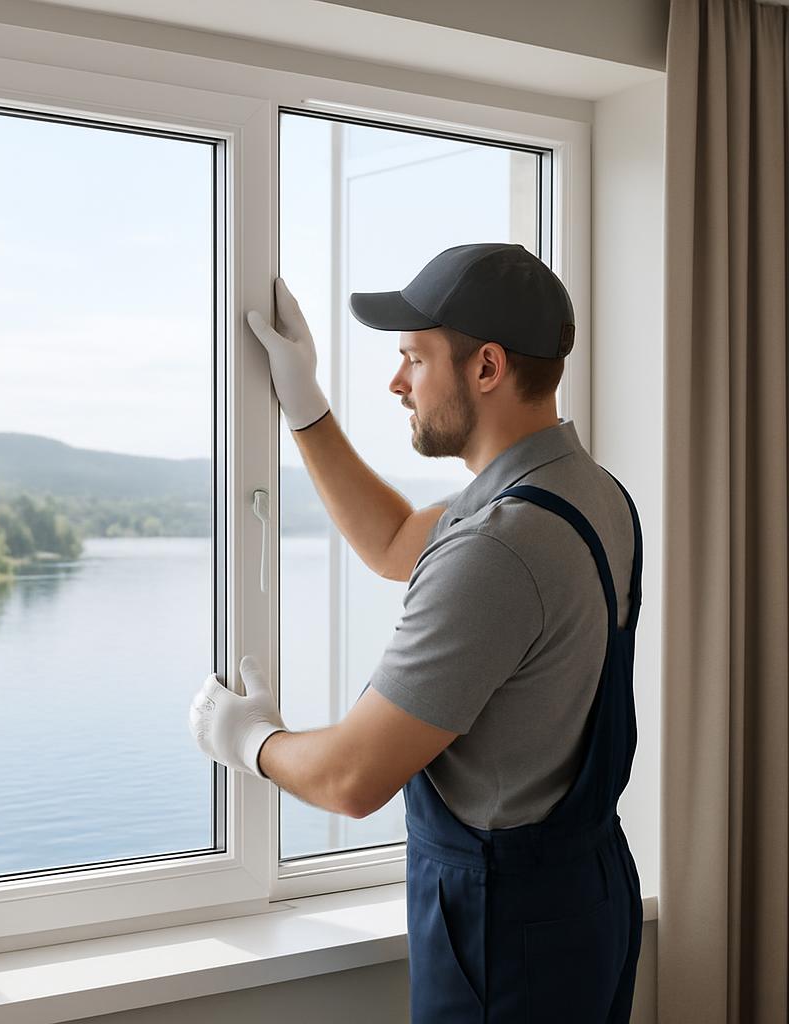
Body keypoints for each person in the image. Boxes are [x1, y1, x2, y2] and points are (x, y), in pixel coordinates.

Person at [189, 242, 644, 1023]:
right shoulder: (585, 490)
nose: (397, 383)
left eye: (414, 359)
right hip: (586, 894)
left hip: (505, 933)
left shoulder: (499, 547)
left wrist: (248, 740)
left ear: (487, 368)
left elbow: (351, 779)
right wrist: (306, 404)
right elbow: (398, 541)